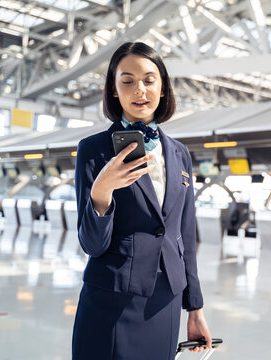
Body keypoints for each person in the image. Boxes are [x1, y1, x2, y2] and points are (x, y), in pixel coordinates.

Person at [72, 42, 211, 360]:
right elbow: (92, 245)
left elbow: (184, 236)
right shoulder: (93, 149)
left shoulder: (179, 153)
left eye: (149, 80)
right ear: (114, 89)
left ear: (163, 89)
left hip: (167, 301)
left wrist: (196, 307)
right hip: (112, 297)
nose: (140, 90)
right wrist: (102, 191)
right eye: (128, 80)